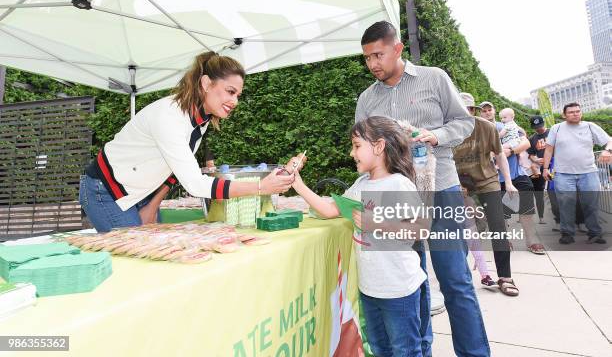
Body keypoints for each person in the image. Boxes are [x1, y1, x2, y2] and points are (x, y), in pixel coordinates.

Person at [355, 21, 488, 357]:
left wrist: (435, 136)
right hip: (393, 201)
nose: (372, 64)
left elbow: (464, 122)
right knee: (410, 286)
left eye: (378, 55)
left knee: (456, 281)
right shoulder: (366, 99)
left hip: (441, 190)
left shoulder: (434, 78)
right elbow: (362, 148)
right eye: (367, 58)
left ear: (398, 49)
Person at [79, 52, 294, 232]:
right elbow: (195, 184)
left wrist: (152, 206)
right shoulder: (170, 116)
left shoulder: (201, 119)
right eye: (230, 91)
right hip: (105, 190)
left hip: (141, 193)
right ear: (206, 83)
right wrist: (259, 186)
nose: (235, 101)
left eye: (238, 95)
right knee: (136, 262)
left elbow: (174, 171)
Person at [292, 116, 428, 357]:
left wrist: (376, 223)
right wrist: (298, 183)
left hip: (399, 290)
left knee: (405, 350)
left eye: (356, 145)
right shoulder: (361, 184)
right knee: (379, 349)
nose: (351, 152)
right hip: (370, 289)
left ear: (379, 146)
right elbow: (330, 210)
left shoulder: (398, 185)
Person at [453, 93, 519, 296]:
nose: (465, 113)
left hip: (487, 180)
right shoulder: (447, 130)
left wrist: (508, 182)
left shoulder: (486, 127)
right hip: (459, 183)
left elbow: (499, 154)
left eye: (469, 109)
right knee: (459, 229)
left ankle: (505, 277)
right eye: (460, 109)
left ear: (473, 110)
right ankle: (459, 278)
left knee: (498, 226)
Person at [480, 102, 545, 255]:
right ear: (480, 113)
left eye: (490, 109)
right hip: (494, 177)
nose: (487, 112)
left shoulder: (508, 125)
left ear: (495, 111)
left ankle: (531, 240)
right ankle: (505, 241)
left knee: (527, 208)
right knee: (501, 212)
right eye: (484, 111)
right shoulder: (478, 128)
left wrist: (511, 151)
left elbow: (526, 143)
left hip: (517, 174)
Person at [543, 102, 611, 244]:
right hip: (563, 173)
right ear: (564, 115)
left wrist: (607, 150)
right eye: (571, 112)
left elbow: (609, 141)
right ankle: (567, 233)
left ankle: (595, 233)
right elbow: (548, 149)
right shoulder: (557, 128)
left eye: (578, 111)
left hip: (589, 172)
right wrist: (545, 169)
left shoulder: (590, 126)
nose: (575, 114)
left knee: (591, 204)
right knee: (566, 204)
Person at [527, 115, 559, 225]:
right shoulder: (532, 138)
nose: (538, 128)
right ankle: (541, 217)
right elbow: (530, 154)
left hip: (555, 166)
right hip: (540, 169)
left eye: (540, 126)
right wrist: (535, 159)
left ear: (544, 123)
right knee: (539, 193)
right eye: (536, 127)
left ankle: (559, 219)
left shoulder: (553, 132)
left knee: (554, 193)